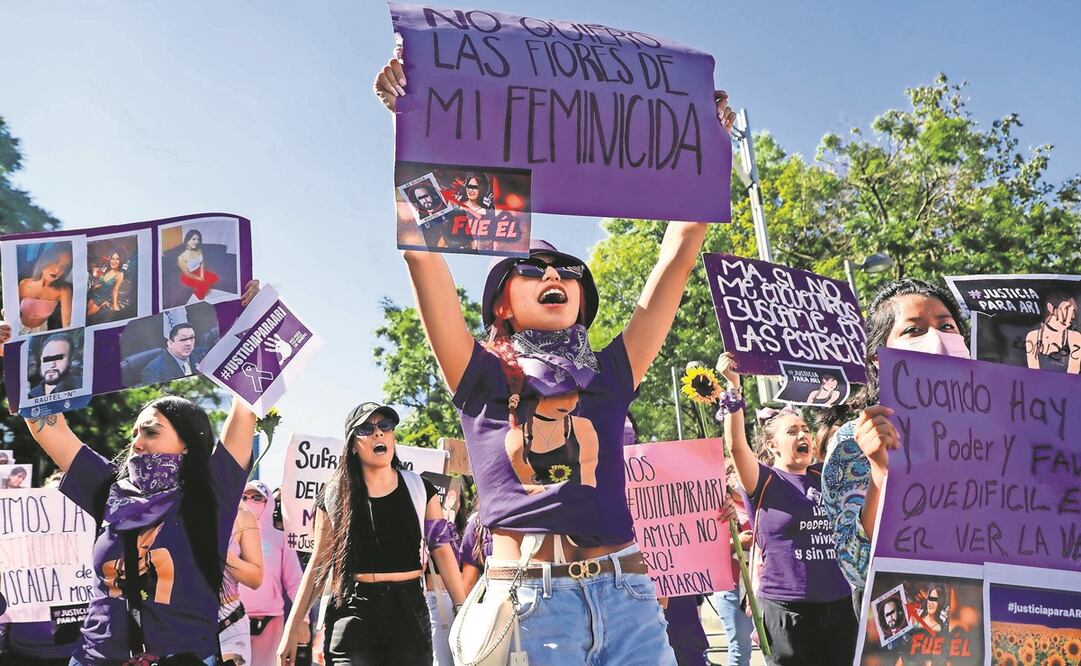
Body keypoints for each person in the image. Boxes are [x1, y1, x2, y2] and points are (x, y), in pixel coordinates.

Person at [378, 54, 735, 665]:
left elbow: (679, 251)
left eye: (569, 272)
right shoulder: (479, 377)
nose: (554, 276)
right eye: (532, 268)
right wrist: (408, 121)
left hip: (629, 601)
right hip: (528, 608)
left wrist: (709, 146)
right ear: (501, 304)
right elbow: (421, 253)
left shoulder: (612, 372)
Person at [0, 279, 261, 665]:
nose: (137, 442)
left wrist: (252, 324)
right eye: (135, 432)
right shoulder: (110, 487)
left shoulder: (213, 492)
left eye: (151, 432)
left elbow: (247, 402)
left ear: (188, 443)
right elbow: (46, 427)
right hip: (92, 658)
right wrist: (21, 351)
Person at [277, 402, 466, 665]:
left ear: (392, 436)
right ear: (353, 445)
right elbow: (319, 564)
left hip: (408, 613)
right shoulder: (333, 494)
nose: (378, 433)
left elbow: (442, 550)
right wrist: (292, 627)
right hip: (352, 612)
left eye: (385, 426)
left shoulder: (421, 488)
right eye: (366, 429)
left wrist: (462, 609)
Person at [819, 279, 968, 600]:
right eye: (913, 330)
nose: (937, 338)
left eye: (946, 326)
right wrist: (881, 473)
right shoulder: (854, 442)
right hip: (914, 613)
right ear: (878, 357)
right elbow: (857, 568)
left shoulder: (998, 430)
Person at [717, 352, 857, 665]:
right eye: (792, 432)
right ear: (771, 446)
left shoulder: (826, 475)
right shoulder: (764, 481)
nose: (803, 434)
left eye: (805, 429)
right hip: (786, 611)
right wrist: (733, 388)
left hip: (839, 606)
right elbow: (736, 445)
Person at [238, 481, 305, 666]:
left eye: (257, 497)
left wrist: (304, 619)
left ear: (268, 503)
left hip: (271, 622)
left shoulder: (280, 538)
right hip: (233, 621)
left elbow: (295, 581)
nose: (249, 501)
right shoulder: (228, 536)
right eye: (244, 497)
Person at [219, 505, 263, 666]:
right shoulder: (168, 506)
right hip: (181, 622)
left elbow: (255, 579)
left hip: (228, 623)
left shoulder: (242, 515)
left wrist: (221, 551)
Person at [18, 244, 73, 333]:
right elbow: (12, 313)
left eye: (64, 266)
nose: (57, 270)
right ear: (45, 259)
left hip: (40, 333)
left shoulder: (64, 291)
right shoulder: (24, 283)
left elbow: (68, 324)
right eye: (55, 261)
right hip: (17, 329)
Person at [1025, 291, 1081, 373]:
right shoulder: (1033, 336)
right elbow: (1034, 371)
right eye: (1065, 313)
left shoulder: (1074, 337)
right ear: (1050, 308)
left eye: (1071, 316)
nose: (1067, 321)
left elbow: (1073, 371)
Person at [141, 322, 206, 385]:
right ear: (170, 343)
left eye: (191, 338)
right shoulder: (153, 371)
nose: (189, 343)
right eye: (183, 339)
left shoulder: (202, 354)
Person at [28, 334, 81, 398]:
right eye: (47, 359)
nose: (52, 365)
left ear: (70, 359)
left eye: (58, 358)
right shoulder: (31, 395)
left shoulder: (82, 386)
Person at [87, 250, 129, 324]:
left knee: (87, 316)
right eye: (112, 258)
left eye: (117, 259)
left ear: (121, 261)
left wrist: (115, 305)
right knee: (85, 311)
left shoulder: (120, 274)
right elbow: (101, 279)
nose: (114, 261)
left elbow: (115, 291)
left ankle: (104, 303)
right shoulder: (108, 269)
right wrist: (97, 284)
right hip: (94, 294)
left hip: (100, 299)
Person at [177, 230, 220, 302]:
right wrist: (199, 278)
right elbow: (187, 274)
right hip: (189, 276)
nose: (197, 242)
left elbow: (202, 263)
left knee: (214, 277)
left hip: (199, 271)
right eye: (194, 239)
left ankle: (199, 286)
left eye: (198, 239)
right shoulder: (181, 257)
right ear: (187, 240)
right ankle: (196, 289)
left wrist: (202, 275)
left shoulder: (199, 250)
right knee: (201, 292)